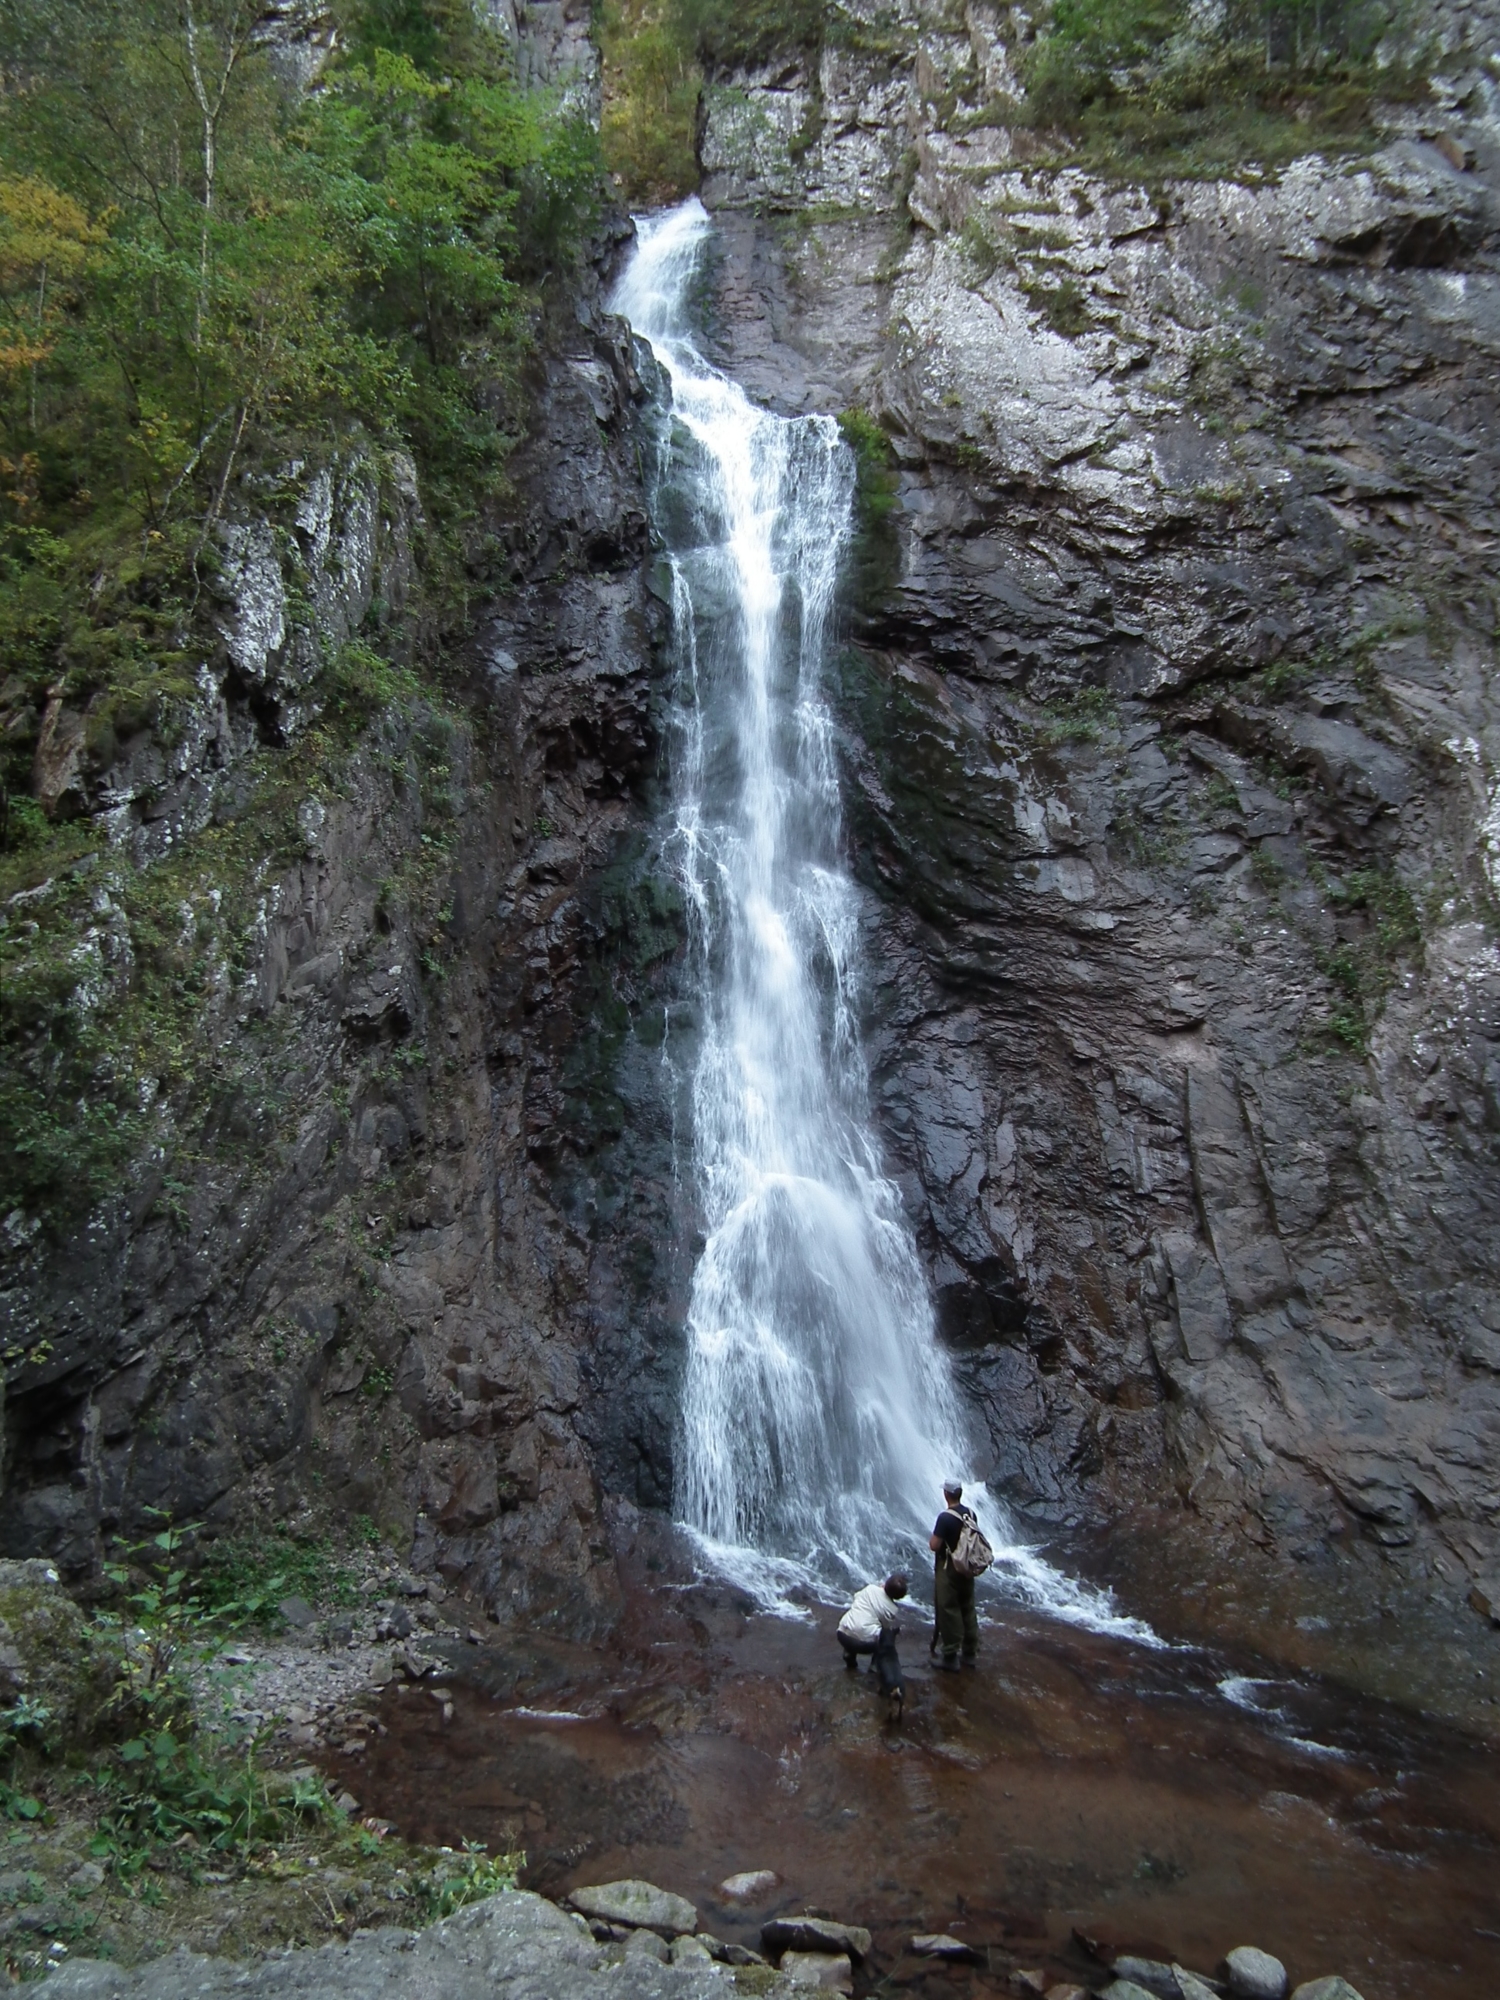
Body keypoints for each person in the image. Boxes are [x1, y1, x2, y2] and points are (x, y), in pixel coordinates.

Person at [837, 1572, 908, 1716]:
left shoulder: (870, 1588)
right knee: (883, 1638)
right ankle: (875, 1666)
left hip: (842, 1634)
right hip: (864, 1644)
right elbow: (886, 1628)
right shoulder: (892, 1609)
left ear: (885, 1583)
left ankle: (849, 1655)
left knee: (856, 1621)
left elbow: (856, 1597)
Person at [929, 1480, 979, 1673]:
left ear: (946, 1495)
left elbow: (934, 1545)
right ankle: (969, 1653)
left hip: (949, 1568)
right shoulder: (971, 1514)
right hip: (967, 1567)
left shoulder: (945, 1518)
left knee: (948, 1608)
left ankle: (950, 1655)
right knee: (967, 1606)